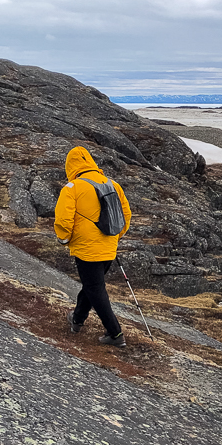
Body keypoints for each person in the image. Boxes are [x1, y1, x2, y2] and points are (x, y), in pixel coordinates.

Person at [55, 146, 132, 347]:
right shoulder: (113, 184)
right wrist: (115, 237)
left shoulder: (72, 188)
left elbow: (64, 220)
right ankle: (77, 319)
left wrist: (64, 239)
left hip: (87, 249)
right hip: (109, 247)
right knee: (92, 285)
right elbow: (126, 216)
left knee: (95, 288)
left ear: (70, 166)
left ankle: (115, 334)